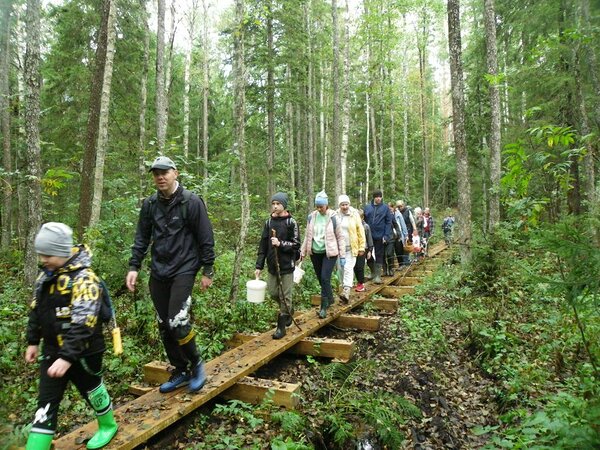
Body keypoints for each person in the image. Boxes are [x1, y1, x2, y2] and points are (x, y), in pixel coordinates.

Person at [126, 156, 215, 394]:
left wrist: (208, 269)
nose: (160, 177)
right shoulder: (150, 204)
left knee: (177, 320)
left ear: (175, 173)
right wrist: (134, 266)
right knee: (164, 323)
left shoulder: (191, 202)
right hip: (159, 270)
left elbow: (205, 236)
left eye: (164, 172)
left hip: (184, 268)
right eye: (156, 173)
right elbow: (142, 237)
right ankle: (180, 370)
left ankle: (196, 364)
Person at [25, 223, 118, 450]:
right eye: (41, 254)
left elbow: (85, 323)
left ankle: (108, 424)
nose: (43, 259)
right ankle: (36, 445)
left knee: (92, 390)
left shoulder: (85, 279)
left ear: (62, 252)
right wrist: (32, 341)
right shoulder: (44, 278)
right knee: (46, 401)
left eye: (48, 254)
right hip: (52, 352)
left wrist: (67, 358)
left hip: (85, 352)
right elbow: (37, 310)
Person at [255, 192, 301, 339]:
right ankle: (289, 309)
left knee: (284, 295)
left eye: (278, 204)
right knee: (273, 293)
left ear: (284, 205)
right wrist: (259, 266)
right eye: (273, 204)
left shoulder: (291, 222)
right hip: (272, 264)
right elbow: (263, 245)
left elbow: (296, 244)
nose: (275, 206)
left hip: (287, 265)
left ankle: (281, 328)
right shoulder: (269, 222)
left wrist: (281, 244)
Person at [300, 191, 345, 319]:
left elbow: (340, 237)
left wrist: (342, 256)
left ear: (327, 205)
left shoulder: (333, 217)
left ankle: (323, 307)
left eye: (321, 206)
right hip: (315, 253)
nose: (319, 209)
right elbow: (307, 237)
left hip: (329, 253)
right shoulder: (311, 217)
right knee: (321, 279)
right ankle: (330, 298)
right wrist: (302, 252)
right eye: (317, 206)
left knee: (325, 277)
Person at [335, 195, 366, 302]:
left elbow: (360, 231)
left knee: (348, 268)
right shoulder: (335, 215)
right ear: (339, 205)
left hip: (351, 247)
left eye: (346, 204)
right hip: (339, 248)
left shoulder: (354, 215)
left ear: (349, 204)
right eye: (342, 205)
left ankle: (346, 291)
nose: (345, 207)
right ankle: (344, 287)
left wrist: (362, 247)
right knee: (341, 269)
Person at [363, 190, 393, 284]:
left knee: (379, 254)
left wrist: (386, 235)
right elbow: (363, 220)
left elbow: (388, 222)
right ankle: (373, 272)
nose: (378, 198)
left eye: (380, 196)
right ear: (374, 197)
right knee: (367, 253)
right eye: (377, 197)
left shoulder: (385, 208)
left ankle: (378, 276)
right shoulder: (367, 208)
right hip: (368, 235)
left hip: (380, 235)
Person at [354, 209, 373, 292]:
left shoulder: (366, 226)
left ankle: (361, 283)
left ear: (362, 217)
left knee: (360, 267)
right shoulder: (353, 226)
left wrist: (370, 250)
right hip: (355, 248)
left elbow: (369, 239)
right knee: (355, 267)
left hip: (363, 248)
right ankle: (359, 282)